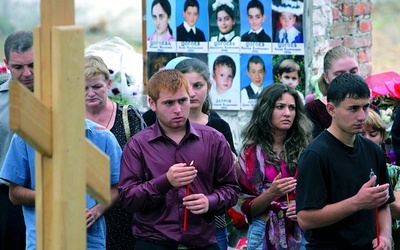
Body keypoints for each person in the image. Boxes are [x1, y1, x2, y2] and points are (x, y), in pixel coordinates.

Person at [118, 69, 240, 249]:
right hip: (154, 241)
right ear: (152, 103)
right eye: (168, 103)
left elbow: (232, 189)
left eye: (183, 101)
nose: (177, 109)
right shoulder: (138, 145)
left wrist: (210, 201)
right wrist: (165, 181)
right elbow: (128, 199)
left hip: (202, 241)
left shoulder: (214, 139)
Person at [296, 73, 395, 249]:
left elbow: (383, 204)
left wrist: (385, 236)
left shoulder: (373, 150)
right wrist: (356, 202)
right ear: (331, 109)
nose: (361, 116)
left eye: (365, 107)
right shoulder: (315, 155)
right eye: (353, 108)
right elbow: (305, 219)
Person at [0, 119, 122, 250]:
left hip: (88, 241)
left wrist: (96, 212)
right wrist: (51, 196)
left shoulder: (103, 137)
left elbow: (116, 188)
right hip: (42, 241)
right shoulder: (24, 137)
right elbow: (14, 194)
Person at [238, 83, 312, 249]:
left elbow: (319, 193)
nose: (287, 113)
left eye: (292, 108)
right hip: (263, 229)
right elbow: (246, 207)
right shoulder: (250, 154)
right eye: (280, 107)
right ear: (266, 110)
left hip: (302, 229)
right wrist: (272, 193)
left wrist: (301, 206)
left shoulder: (308, 150)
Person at [84, 55, 146, 249]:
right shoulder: (68, 119)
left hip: (122, 211)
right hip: (82, 211)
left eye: (96, 87)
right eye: (84, 88)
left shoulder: (128, 117)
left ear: (108, 84)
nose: (90, 93)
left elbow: (144, 162)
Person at [0, 30, 34, 250]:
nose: (27, 73)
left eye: (33, 64)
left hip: (49, 193)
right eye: (18, 67)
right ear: (6, 63)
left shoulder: (62, 94)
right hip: (6, 197)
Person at [361, 110, 400, 249]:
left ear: (382, 136)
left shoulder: (394, 172)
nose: (367, 139)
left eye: (373, 134)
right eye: (361, 134)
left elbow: (396, 209)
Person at [305, 46, 360, 138]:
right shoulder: (312, 110)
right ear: (326, 77)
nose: (348, 78)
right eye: (340, 74)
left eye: (353, 72)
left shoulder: (370, 108)